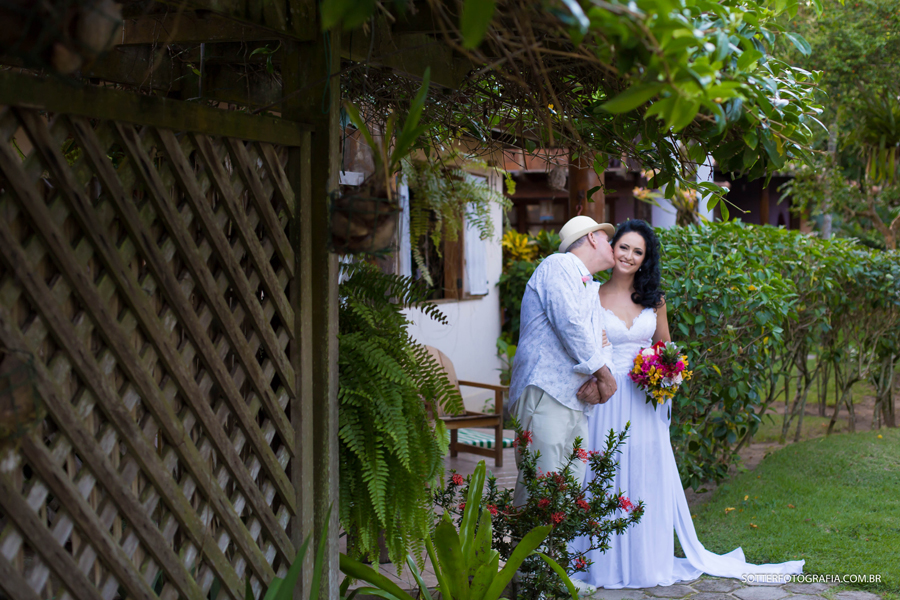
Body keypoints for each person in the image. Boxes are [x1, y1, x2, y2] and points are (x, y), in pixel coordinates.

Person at [573, 219, 804, 588]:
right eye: (624, 247)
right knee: (605, 470)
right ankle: (600, 561)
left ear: (645, 259)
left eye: (638, 251)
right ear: (611, 248)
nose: (629, 256)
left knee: (643, 474)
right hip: (606, 400)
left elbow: (665, 348)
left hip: (643, 401)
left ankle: (643, 559)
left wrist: (665, 372)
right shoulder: (591, 295)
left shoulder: (654, 301)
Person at [508, 216, 618, 510]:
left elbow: (601, 342)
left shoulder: (590, 287)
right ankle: (528, 557)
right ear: (593, 237)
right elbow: (569, 325)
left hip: (576, 400)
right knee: (540, 487)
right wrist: (604, 377)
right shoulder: (558, 265)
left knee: (567, 490)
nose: (613, 246)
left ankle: (556, 557)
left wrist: (599, 380)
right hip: (547, 391)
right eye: (608, 239)